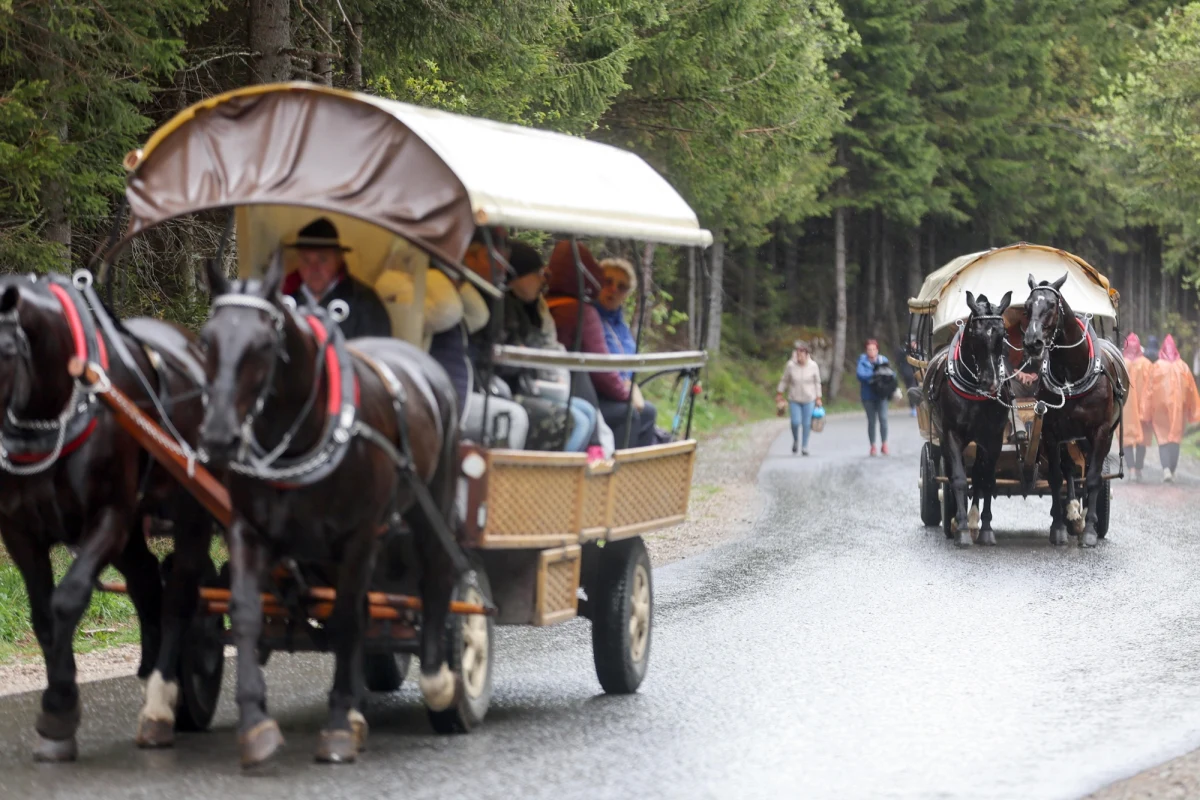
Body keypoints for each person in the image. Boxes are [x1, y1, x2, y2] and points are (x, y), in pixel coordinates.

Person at [493, 242, 601, 455]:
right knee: (575, 420)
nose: (543, 280)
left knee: (586, 411)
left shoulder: (533, 308)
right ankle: (549, 477)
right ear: (517, 276)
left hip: (530, 382)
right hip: (507, 388)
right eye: (537, 273)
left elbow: (541, 346)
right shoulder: (501, 307)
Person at [545, 242, 657, 449]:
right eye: (607, 281)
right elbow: (602, 370)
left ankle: (639, 475)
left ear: (627, 294)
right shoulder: (585, 314)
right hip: (590, 392)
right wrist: (628, 393)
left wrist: (628, 388)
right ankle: (619, 474)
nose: (613, 290)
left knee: (648, 411)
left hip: (606, 390)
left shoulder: (621, 328)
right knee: (630, 413)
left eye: (621, 287)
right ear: (595, 281)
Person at [284, 217, 391, 339]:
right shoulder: (286, 299)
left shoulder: (365, 303)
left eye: (322, 259)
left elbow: (375, 353)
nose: (314, 268)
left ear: (339, 259)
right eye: (306, 260)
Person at [1149, 334, 1200, 482]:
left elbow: (1148, 391)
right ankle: (1172, 469)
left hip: (1160, 411)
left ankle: (1166, 470)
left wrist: (1145, 411)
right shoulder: (1183, 366)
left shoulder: (1157, 366)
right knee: (1175, 439)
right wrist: (1193, 410)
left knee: (1163, 439)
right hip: (1179, 410)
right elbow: (1191, 390)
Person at [776, 340, 822, 455]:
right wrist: (780, 392)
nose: (799, 357)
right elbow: (785, 379)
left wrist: (818, 397)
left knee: (806, 423)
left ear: (807, 355)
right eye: (797, 355)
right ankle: (796, 440)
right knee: (795, 422)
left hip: (809, 399)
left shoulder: (813, 366)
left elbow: (817, 382)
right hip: (794, 398)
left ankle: (805, 446)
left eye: (801, 355)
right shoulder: (791, 365)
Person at [1120, 332, 1153, 482]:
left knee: (1126, 438)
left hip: (1126, 408)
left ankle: (1131, 469)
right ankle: (1138, 468)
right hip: (1143, 407)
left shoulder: (1121, 363)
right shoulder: (1147, 364)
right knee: (1142, 438)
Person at [856, 339, 894, 456]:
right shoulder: (862, 362)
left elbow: (891, 374)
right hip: (868, 396)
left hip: (882, 395)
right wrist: (875, 375)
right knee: (871, 421)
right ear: (866, 350)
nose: (871, 351)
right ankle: (872, 445)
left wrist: (884, 376)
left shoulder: (883, 360)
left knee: (883, 419)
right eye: (869, 349)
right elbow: (861, 375)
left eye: (873, 349)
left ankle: (884, 444)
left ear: (877, 350)